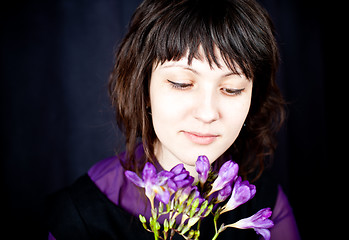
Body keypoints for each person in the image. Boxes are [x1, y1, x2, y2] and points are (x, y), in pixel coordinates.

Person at [46, 0, 301, 239]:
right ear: (144, 88)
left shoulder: (268, 202)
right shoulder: (79, 216)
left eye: (232, 89)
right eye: (182, 84)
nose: (208, 113)